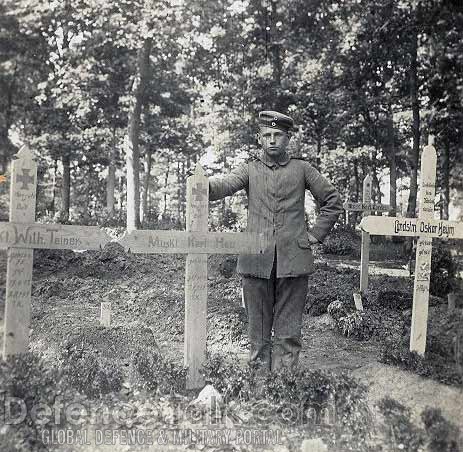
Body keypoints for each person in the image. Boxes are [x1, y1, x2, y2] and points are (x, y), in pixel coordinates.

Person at [209, 111, 343, 371]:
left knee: (288, 334)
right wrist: (203, 184)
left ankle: (285, 390)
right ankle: (259, 391)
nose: (272, 140)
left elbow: (332, 201)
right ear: (259, 138)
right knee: (257, 335)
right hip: (255, 261)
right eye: (267, 135)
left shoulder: (302, 169)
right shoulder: (249, 169)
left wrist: (316, 234)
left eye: (278, 135)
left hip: (293, 261)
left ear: (288, 138)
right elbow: (224, 185)